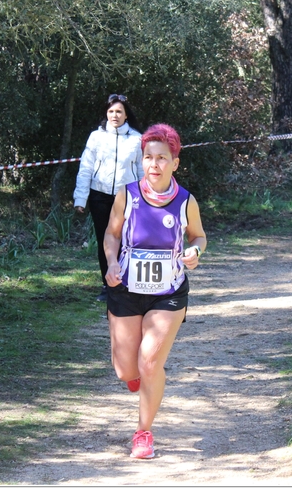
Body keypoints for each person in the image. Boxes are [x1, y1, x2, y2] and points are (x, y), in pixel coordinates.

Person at [103, 123, 207, 459]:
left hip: (169, 293)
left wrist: (195, 253)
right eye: (149, 157)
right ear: (142, 160)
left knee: (149, 363)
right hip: (126, 288)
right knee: (126, 370)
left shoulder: (185, 201)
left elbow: (199, 236)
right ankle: (137, 380)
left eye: (162, 158)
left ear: (175, 162)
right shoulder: (127, 195)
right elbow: (111, 234)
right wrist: (112, 263)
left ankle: (143, 433)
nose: (155, 164)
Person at [74, 94, 144, 302]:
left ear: (126, 115)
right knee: (106, 242)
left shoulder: (137, 139)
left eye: (119, 111)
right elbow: (85, 168)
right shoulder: (96, 137)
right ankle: (109, 285)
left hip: (127, 197)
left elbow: (142, 172)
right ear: (106, 113)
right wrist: (80, 199)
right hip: (100, 196)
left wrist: (145, 200)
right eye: (111, 111)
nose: (115, 115)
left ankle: (127, 283)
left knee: (126, 241)